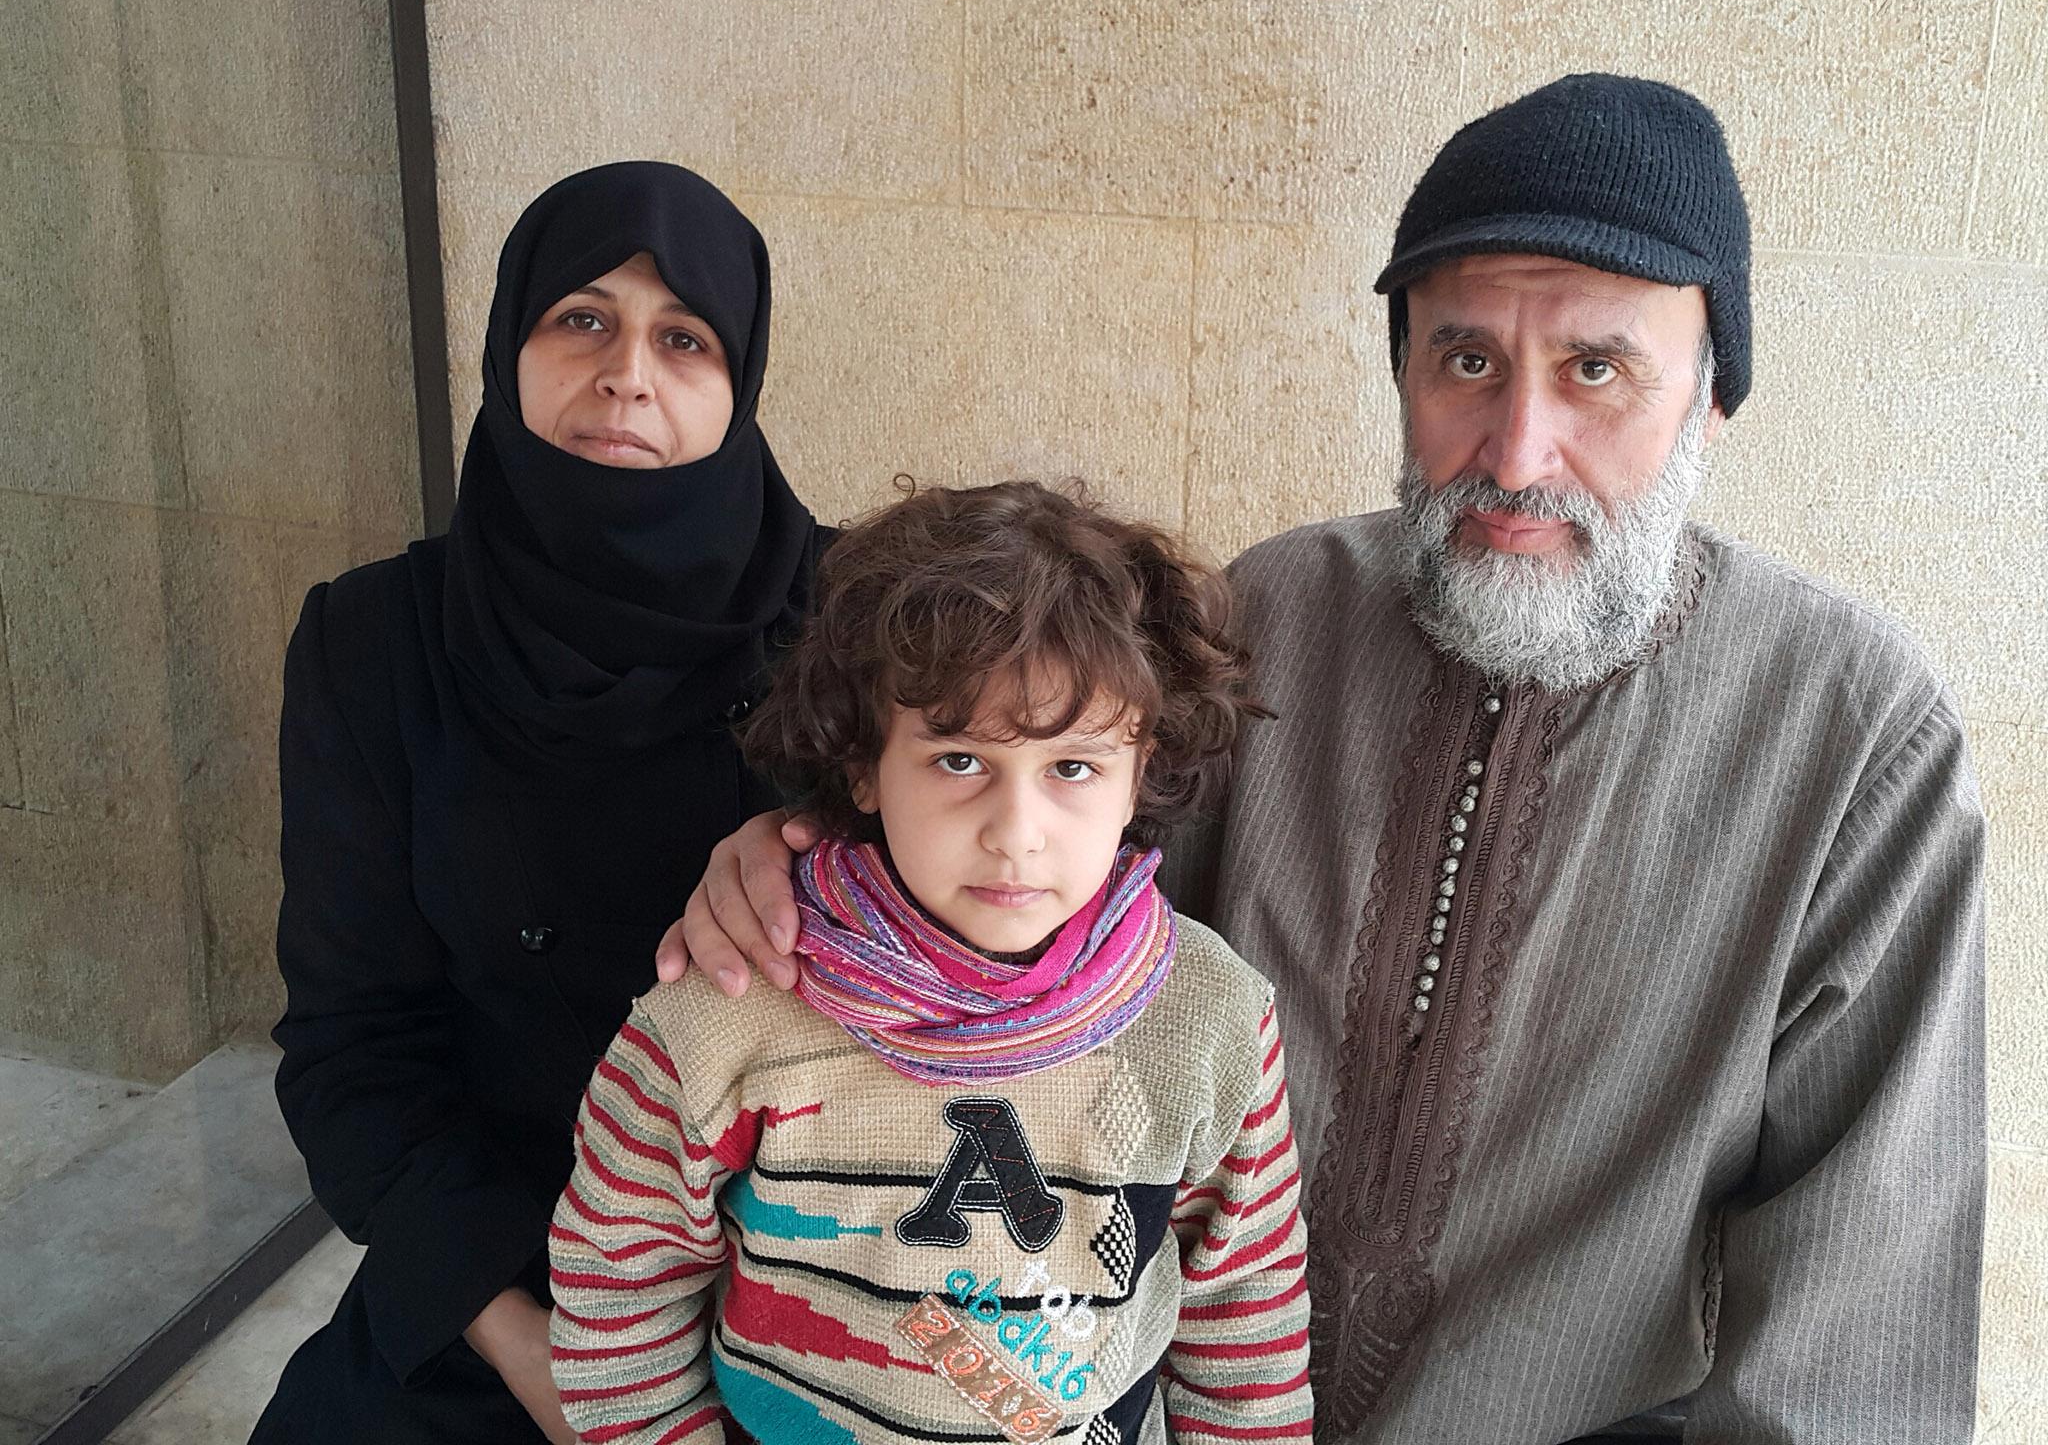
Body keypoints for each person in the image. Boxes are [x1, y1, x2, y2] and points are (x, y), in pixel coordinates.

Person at [662, 75, 1989, 1442]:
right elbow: (1015, 922)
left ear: (1713, 400)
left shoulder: (1852, 744)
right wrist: (816, 872)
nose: (1518, 450)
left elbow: (1853, 1362)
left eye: (1596, 369)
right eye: (1467, 362)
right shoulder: (1272, 618)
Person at [548, 482, 1312, 1444]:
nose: (1016, 836)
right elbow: (616, 1302)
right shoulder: (719, 1020)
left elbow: (1246, 1329)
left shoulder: (1212, 1019)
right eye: (959, 761)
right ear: (864, 764)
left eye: (1072, 767)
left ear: (1140, 773)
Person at [253, 162, 822, 1444]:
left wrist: (811, 839)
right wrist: (527, 1345)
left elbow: (1062, 862)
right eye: (581, 318)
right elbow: (352, 1050)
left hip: (813, 1296)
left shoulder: (857, 623)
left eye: (683, 338)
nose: (627, 373)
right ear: (510, 347)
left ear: (741, 387)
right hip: (508, 1271)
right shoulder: (374, 643)